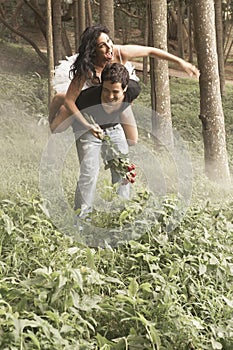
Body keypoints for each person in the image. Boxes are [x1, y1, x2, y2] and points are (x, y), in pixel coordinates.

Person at [49, 24, 199, 134]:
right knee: (57, 128)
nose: (109, 47)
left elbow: (151, 51)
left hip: (113, 94)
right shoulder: (86, 66)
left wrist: (180, 62)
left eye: (109, 41)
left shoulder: (119, 53)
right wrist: (86, 123)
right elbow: (71, 100)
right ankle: (59, 98)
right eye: (102, 45)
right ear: (93, 50)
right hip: (89, 92)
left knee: (133, 139)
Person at [72, 62, 140, 218]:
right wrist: (88, 126)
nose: (110, 96)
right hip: (88, 129)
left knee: (123, 171)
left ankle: (121, 214)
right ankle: (82, 218)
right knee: (89, 172)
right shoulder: (86, 98)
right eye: (106, 90)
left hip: (114, 127)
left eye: (115, 92)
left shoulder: (134, 90)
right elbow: (72, 111)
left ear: (125, 88)